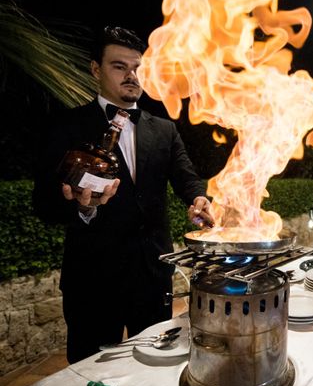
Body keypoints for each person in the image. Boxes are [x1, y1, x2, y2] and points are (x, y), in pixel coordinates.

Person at [33, 26, 215, 363]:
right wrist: (83, 209)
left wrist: (199, 199)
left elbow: (188, 180)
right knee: (90, 375)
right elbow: (43, 202)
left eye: (139, 68)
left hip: (152, 276)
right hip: (92, 282)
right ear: (95, 70)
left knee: (156, 370)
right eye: (119, 67)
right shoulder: (66, 126)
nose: (132, 76)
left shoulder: (164, 129)